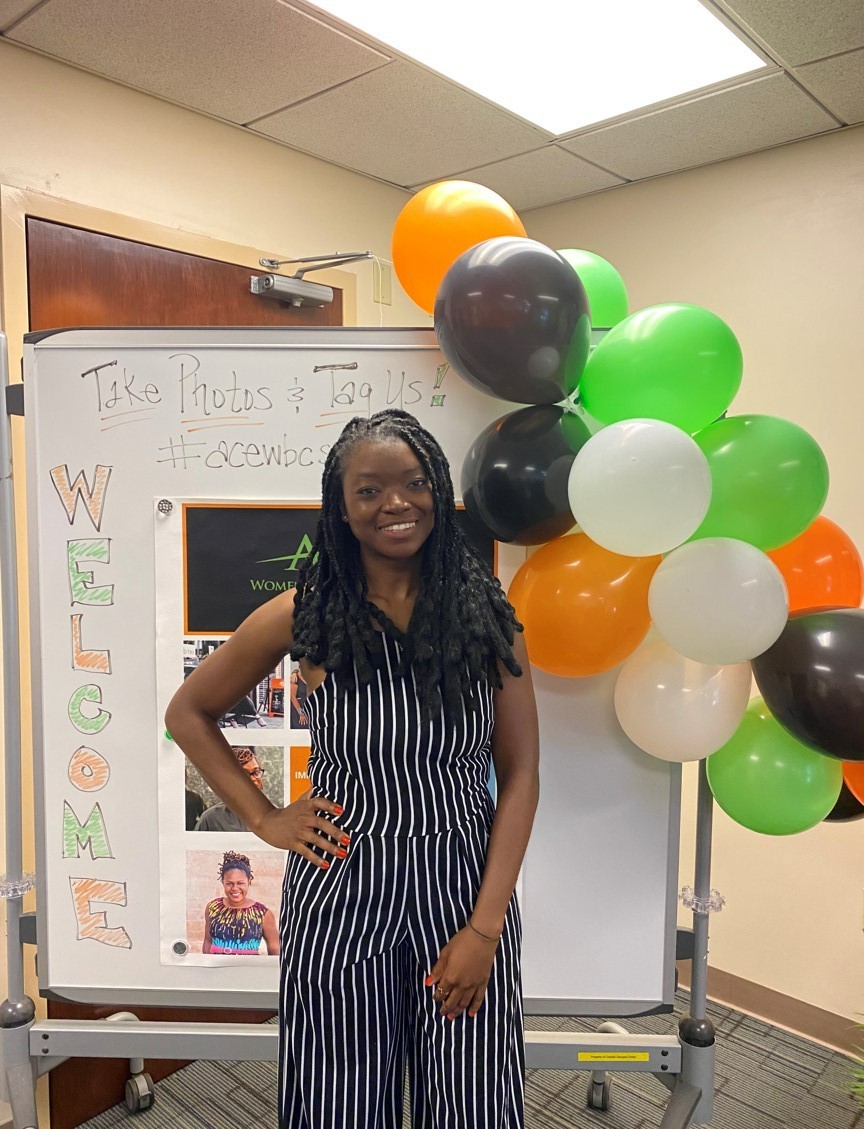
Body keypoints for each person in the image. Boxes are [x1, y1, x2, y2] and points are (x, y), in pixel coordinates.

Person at [166, 409, 540, 1128]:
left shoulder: (486, 617)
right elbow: (189, 711)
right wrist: (264, 817)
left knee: (473, 1099)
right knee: (338, 1101)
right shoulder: (303, 614)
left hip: (463, 885)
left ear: (439, 489)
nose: (395, 502)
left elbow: (520, 775)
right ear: (341, 507)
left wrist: (485, 929)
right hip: (342, 884)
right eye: (368, 489)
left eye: (414, 482)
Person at [203, 850, 279, 955]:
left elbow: (275, 949)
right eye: (229, 883)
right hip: (217, 965)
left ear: (249, 882)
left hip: (249, 965)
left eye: (240, 883)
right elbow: (208, 941)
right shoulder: (213, 908)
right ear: (223, 882)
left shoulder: (262, 913)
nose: (235, 888)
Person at [195, 747, 265, 832]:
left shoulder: (273, 816)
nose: (253, 779)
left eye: (256, 772)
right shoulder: (211, 819)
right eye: (244, 774)